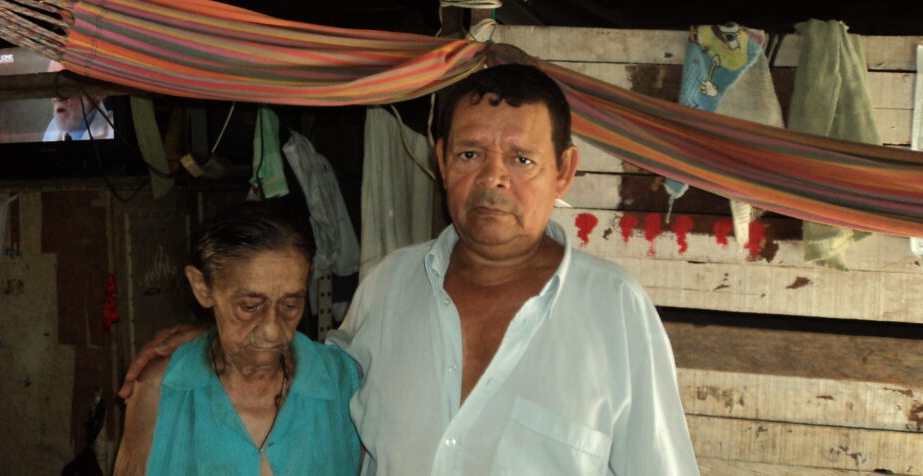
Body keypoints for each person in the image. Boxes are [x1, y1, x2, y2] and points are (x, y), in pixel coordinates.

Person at [121, 64, 699, 475]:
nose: (494, 179)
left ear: (564, 170)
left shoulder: (613, 309)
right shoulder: (391, 284)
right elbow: (311, 367)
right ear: (440, 158)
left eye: (522, 159)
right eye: (470, 154)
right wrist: (213, 330)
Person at [113, 202, 361, 476]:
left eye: (290, 305)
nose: (272, 331)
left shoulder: (344, 381)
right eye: (249, 307)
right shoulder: (162, 387)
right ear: (202, 287)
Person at [42, 60, 115, 142]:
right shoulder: (53, 128)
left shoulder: (114, 131)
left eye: (65, 85)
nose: (56, 98)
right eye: (51, 86)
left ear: (97, 92)